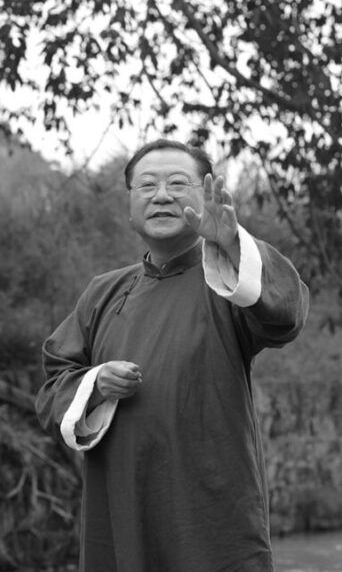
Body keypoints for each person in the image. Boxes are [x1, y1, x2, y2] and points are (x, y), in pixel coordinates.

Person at [36, 139, 310, 572]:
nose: (161, 196)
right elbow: (54, 385)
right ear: (130, 204)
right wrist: (95, 384)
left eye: (178, 184)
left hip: (211, 509)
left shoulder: (227, 279)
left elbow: (287, 315)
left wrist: (232, 244)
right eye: (147, 185)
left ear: (204, 195)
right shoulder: (103, 293)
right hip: (121, 503)